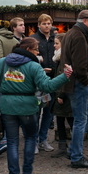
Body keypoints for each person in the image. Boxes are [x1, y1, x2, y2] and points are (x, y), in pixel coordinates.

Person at [0, 37, 72, 174]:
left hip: (7, 107)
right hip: (27, 108)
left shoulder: (4, 61)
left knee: (12, 142)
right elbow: (48, 86)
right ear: (27, 50)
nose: (38, 52)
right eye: (35, 49)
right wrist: (65, 76)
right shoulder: (34, 66)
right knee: (30, 138)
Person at [59, 9, 88, 168]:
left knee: (86, 115)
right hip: (78, 84)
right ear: (84, 21)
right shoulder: (78, 36)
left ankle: (73, 150)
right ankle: (76, 157)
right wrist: (87, 82)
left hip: (73, 83)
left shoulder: (73, 33)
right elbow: (81, 66)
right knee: (81, 119)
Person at [0, 19, 18, 158]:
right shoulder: (14, 40)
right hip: (16, 80)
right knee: (12, 112)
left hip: (3, 81)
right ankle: (11, 140)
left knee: (0, 112)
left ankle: (4, 140)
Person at [32, 13, 56, 152]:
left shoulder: (54, 39)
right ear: (39, 25)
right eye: (44, 23)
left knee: (49, 112)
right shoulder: (34, 39)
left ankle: (43, 139)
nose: (47, 26)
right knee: (36, 112)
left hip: (52, 79)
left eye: (49, 23)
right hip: (38, 80)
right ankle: (34, 140)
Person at [51, 33, 73, 157]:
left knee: (71, 120)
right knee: (60, 120)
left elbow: (67, 77)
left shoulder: (65, 58)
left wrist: (61, 95)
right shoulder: (58, 58)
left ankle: (73, 147)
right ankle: (62, 146)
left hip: (65, 95)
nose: (54, 46)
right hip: (60, 94)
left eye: (57, 43)